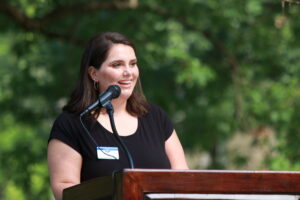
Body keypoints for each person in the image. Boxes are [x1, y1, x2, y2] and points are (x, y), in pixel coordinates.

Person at [47, 32, 188, 200]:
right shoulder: (72, 123)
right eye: (117, 65)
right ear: (93, 73)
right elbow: (64, 188)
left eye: (133, 64)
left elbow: (184, 181)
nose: (128, 72)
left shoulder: (156, 118)